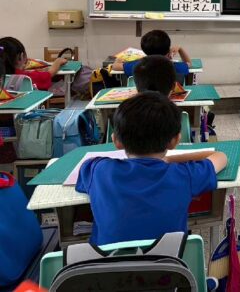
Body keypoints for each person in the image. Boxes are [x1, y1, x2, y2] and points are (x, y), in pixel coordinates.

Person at [76, 92, 227, 245]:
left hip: (106, 260)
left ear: (116, 141)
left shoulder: (98, 170)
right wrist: (168, 159)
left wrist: (165, 160)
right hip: (170, 260)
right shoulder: (185, 175)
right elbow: (220, 156)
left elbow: (86, 166)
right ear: (175, 141)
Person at [112, 29, 191, 78]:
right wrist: (180, 49)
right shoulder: (175, 66)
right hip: (168, 99)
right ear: (168, 50)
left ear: (144, 50)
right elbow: (189, 63)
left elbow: (115, 66)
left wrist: (120, 58)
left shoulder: (138, 65)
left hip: (144, 99)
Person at [0, 36, 67, 91]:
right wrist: (58, 61)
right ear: (21, 56)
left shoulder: (3, 77)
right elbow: (49, 74)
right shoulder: (24, 77)